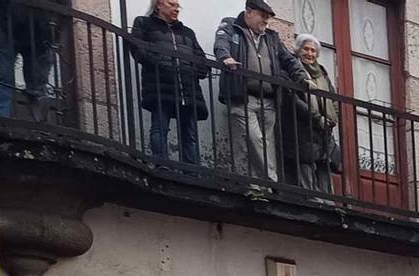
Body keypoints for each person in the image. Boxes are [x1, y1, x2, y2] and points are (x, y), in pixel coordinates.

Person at [214, 0, 302, 183]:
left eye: (267, 18)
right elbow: (221, 43)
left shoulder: (271, 37)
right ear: (249, 12)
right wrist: (225, 57)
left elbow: (288, 59)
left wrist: (302, 77)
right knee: (255, 139)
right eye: (262, 16)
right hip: (242, 95)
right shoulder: (231, 27)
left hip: (269, 99)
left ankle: (258, 186)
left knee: (266, 144)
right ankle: (271, 181)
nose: (266, 21)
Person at [130, 0, 210, 165]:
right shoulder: (143, 23)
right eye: (171, 4)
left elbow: (201, 59)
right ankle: (162, 165)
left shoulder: (187, 32)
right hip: (160, 85)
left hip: (187, 89)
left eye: (177, 6)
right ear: (158, 4)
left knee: (189, 134)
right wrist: (161, 63)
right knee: (160, 128)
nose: (176, 9)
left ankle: (192, 171)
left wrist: (196, 70)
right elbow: (138, 49)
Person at [289, 33, 339, 191]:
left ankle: (327, 200)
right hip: (303, 125)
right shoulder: (293, 70)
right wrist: (317, 117)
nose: (309, 53)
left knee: (325, 164)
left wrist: (333, 118)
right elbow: (294, 99)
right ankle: (312, 197)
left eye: (313, 50)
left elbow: (332, 97)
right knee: (306, 162)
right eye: (306, 49)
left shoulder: (322, 72)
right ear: (298, 50)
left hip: (325, 128)